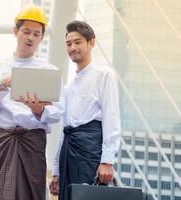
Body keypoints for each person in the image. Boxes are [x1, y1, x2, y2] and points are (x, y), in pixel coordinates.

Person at [0, 5, 63, 200]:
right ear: (16, 32)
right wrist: (1, 86)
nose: (30, 37)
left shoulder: (49, 71)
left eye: (36, 34)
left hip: (32, 142)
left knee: (31, 194)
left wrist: (39, 110)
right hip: (1, 141)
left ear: (42, 37)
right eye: (26, 31)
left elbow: (58, 112)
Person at [49, 20, 121, 200]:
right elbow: (63, 132)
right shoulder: (67, 87)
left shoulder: (104, 75)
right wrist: (56, 171)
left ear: (92, 42)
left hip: (91, 150)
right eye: (68, 43)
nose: (72, 47)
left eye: (78, 42)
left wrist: (107, 161)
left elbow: (112, 117)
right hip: (68, 149)